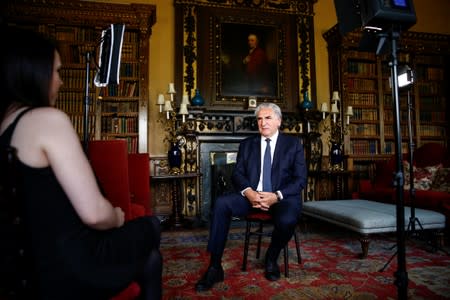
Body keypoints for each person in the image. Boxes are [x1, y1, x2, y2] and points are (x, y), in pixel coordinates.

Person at [0, 26, 162, 300]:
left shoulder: (5, 125)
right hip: (70, 266)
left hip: (27, 265)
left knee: (151, 259)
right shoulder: (47, 119)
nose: (61, 82)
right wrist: (118, 216)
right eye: (57, 72)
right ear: (34, 72)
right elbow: (96, 216)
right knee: (153, 225)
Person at [195, 102, 307, 292]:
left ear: (278, 121)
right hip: (252, 197)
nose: (263, 123)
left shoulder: (293, 144)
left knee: (288, 219)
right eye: (260, 119)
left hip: (281, 198)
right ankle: (215, 266)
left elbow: (300, 179)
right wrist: (249, 193)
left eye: (268, 118)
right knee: (222, 203)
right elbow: (237, 174)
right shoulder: (247, 144)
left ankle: (271, 257)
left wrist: (276, 196)